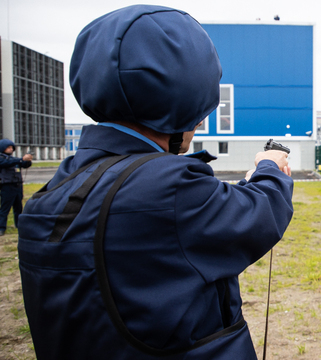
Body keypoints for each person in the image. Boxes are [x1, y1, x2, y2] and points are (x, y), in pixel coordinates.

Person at [18, 5, 293, 360]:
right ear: (186, 99)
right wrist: (270, 167)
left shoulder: (55, 189)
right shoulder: (171, 187)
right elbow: (259, 215)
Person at [0, 140, 32, 236]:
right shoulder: (3, 159)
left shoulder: (13, 159)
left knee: (18, 208)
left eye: (12, 148)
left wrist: (27, 161)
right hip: (7, 185)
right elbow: (7, 163)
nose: (11, 149)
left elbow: (23, 164)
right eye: (8, 147)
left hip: (17, 185)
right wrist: (21, 159)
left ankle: (19, 225)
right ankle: (1, 227)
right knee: (5, 208)